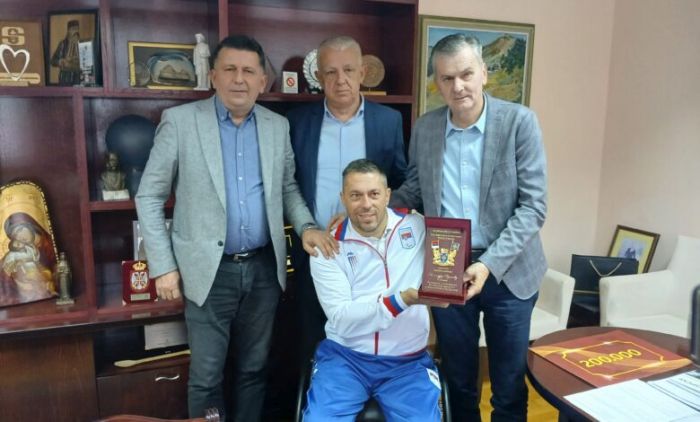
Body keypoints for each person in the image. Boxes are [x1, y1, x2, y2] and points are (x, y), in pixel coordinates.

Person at [135, 34, 337, 422]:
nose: (239, 79)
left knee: (254, 370)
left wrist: (307, 227)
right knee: (207, 376)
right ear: (213, 76)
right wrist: (163, 267)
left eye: (248, 71)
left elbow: (287, 188)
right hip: (208, 272)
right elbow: (149, 196)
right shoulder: (180, 122)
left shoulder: (277, 126)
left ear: (263, 80)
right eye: (229, 69)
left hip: (263, 270)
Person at [390, 33, 548, 420]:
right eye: (447, 78)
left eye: (466, 74)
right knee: (457, 379)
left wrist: (488, 264)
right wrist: (369, 208)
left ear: (484, 73)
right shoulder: (426, 128)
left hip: (510, 272)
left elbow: (533, 207)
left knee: (508, 384)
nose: (458, 86)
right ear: (437, 82)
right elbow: (415, 188)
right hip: (447, 264)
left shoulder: (519, 122)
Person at [287, 35, 407, 364]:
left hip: (372, 255)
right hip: (317, 251)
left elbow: (400, 183)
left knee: (366, 340)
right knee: (312, 343)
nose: (341, 80)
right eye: (331, 72)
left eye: (349, 70)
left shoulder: (389, 121)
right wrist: (307, 227)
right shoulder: (297, 122)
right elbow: (289, 183)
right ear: (319, 76)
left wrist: (369, 216)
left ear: (362, 73)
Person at [303, 159, 442, 421]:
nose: (366, 204)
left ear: (388, 195)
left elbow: (452, 253)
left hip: (407, 363)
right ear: (343, 198)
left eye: (374, 194)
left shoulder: (418, 226)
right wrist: (401, 300)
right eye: (356, 196)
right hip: (345, 360)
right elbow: (342, 319)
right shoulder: (328, 247)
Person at [50, 19, 81, 86]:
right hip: (65, 80)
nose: (76, 31)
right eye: (73, 29)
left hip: (78, 80)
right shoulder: (62, 44)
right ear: (68, 30)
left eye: (77, 29)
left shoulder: (83, 44)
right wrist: (61, 62)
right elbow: (52, 61)